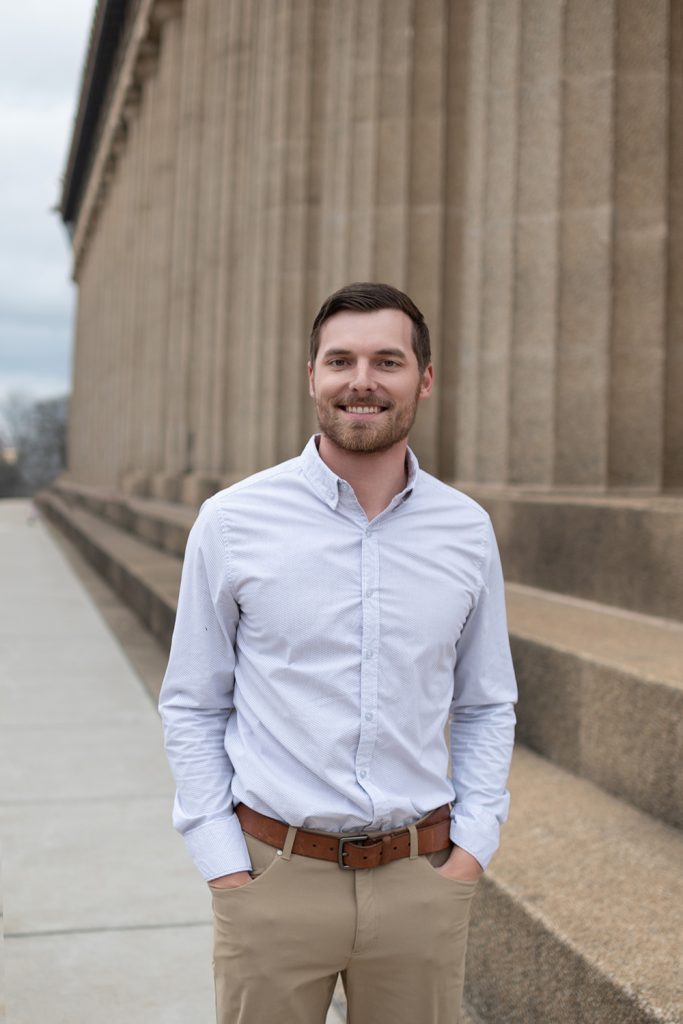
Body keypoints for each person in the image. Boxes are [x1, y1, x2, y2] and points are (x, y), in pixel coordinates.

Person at [159, 282, 517, 1024]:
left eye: (387, 361)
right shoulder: (232, 522)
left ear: (423, 379)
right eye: (340, 361)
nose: (361, 381)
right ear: (312, 376)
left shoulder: (465, 529)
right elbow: (193, 702)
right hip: (272, 878)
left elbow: (486, 701)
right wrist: (223, 863)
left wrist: (472, 847)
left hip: (421, 882)